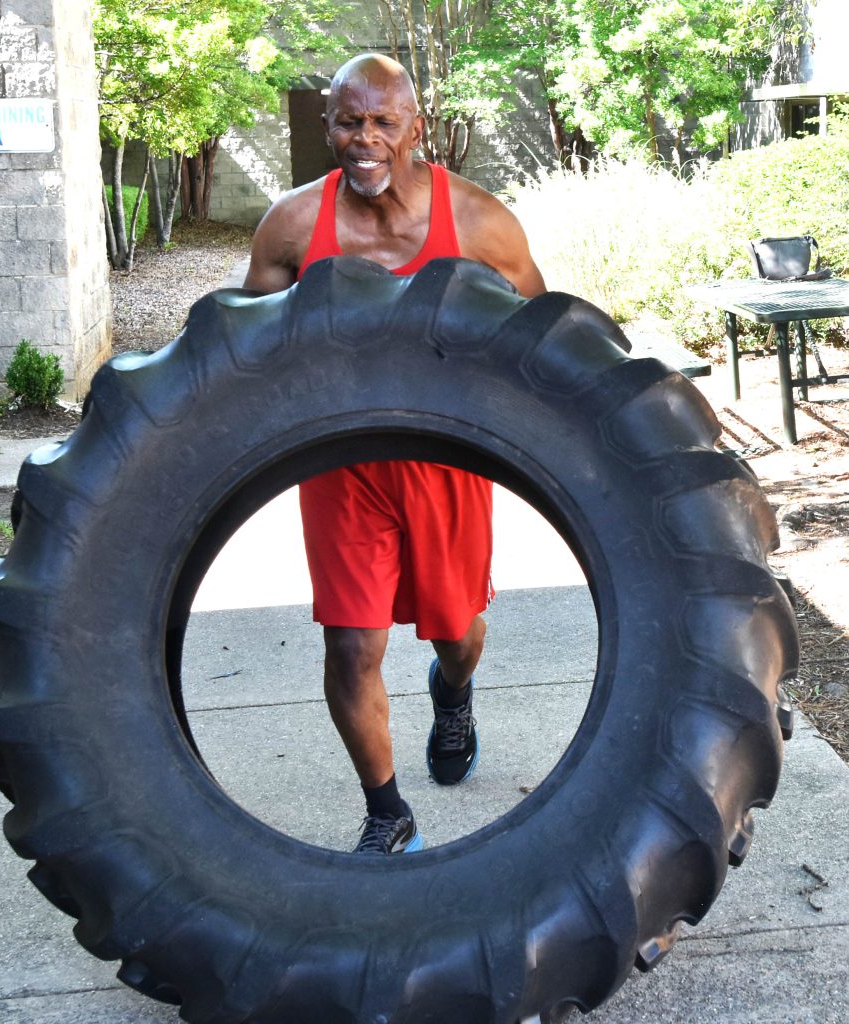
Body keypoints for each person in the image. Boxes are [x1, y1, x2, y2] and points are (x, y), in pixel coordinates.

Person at [244, 53, 546, 854]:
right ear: (328, 126)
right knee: (351, 645)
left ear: (417, 126)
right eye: (350, 121)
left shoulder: (478, 222)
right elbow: (239, 361)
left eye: (383, 121)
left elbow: (543, 339)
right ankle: (388, 814)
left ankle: (453, 691)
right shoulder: (291, 227)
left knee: (459, 633)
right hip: (340, 469)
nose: (366, 138)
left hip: (447, 463)